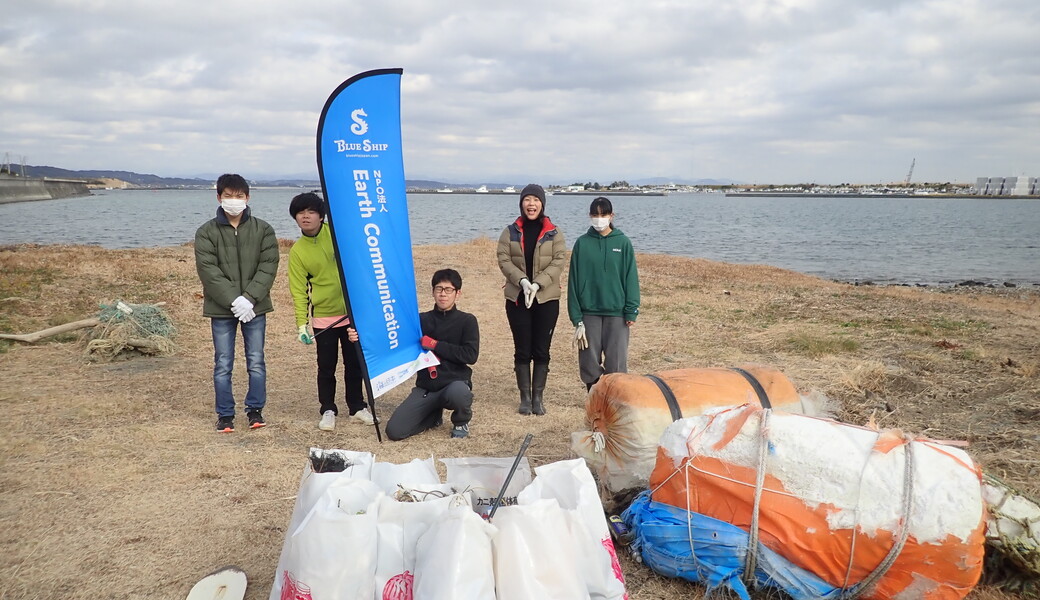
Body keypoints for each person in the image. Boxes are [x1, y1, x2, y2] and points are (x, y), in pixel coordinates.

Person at [194, 173, 279, 432]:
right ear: (219, 197)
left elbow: (268, 265)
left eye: (239, 196)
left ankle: (255, 410)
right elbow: (208, 271)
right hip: (221, 309)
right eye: (228, 196)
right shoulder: (206, 232)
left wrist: (250, 299)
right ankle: (225, 414)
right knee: (223, 362)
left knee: (256, 360)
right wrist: (235, 300)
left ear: (247, 197)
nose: (234, 201)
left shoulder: (263, 229)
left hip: (255, 308)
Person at [286, 192, 375, 432]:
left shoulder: (337, 235)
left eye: (311, 212)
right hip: (324, 317)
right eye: (300, 212)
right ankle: (327, 408)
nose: (305, 217)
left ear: (321, 216)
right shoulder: (298, 251)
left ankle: (356, 406)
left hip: (351, 313)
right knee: (326, 365)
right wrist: (301, 324)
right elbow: (299, 291)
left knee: (354, 362)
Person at [385, 269, 479, 441]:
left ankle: (461, 421)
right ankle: (432, 416)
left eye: (448, 290)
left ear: (457, 293)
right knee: (395, 431)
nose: (443, 294)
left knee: (460, 393)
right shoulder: (421, 320)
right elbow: (394, 338)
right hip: (426, 387)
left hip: (453, 384)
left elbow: (470, 355)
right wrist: (358, 335)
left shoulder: (467, 321)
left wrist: (436, 345)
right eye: (439, 289)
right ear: (433, 292)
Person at [496, 183, 566, 415]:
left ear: (542, 204)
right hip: (518, 298)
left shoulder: (554, 233)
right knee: (522, 349)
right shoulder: (510, 231)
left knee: (542, 350)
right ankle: (525, 398)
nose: (531, 204)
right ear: (521, 203)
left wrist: (538, 284)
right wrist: (523, 281)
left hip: (546, 298)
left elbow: (558, 262)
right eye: (527, 200)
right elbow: (504, 259)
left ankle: (538, 397)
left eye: (536, 200)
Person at [567, 197, 640, 391]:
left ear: (611, 216)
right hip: (589, 311)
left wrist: (631, 310)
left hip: (617, 313)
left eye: (603, 214)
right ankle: (594, 393)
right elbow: (573, 281)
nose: (599, 219)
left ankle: (614, 397)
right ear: (590, 216)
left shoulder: (623, 243)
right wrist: (576, 317)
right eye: (595, 215)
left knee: (616, 361)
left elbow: (630, 277)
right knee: (588, 358)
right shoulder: (582, 244)